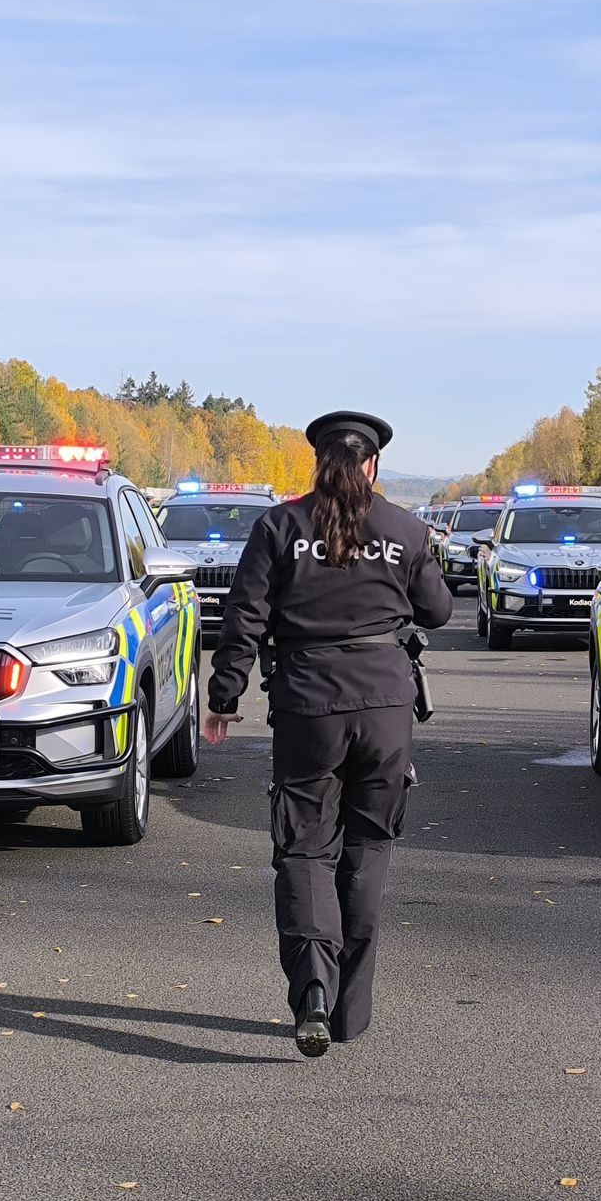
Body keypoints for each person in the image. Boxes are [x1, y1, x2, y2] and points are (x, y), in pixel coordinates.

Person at [205, 411, 452, 1058]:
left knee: (305, 849)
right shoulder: (403, 529)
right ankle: (347, 1015)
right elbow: (439, 610)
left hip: (308, 707)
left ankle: (313, 986)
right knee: (368, 848)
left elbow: (245, 616)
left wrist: (224, 696)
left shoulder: (280, 527)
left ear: (320, 464)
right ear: (372, 465)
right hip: (386, 708)